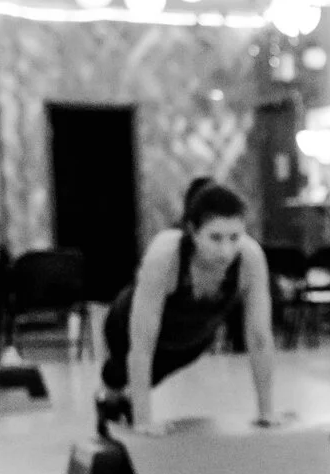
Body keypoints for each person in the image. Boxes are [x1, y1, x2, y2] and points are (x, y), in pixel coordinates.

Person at [98, 178, 279, 430]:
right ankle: (109, 398)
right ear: (193, 231)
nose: (226, 251)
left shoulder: (250, 259)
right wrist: (144, 422)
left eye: (234, 237)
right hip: (126, 325)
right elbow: (140, 346)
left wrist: (267, 413)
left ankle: (121, 400)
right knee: (120, 371)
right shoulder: (165, 255)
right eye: (215, 238)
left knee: (163, 366)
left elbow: (259, 337)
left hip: (190, 336)